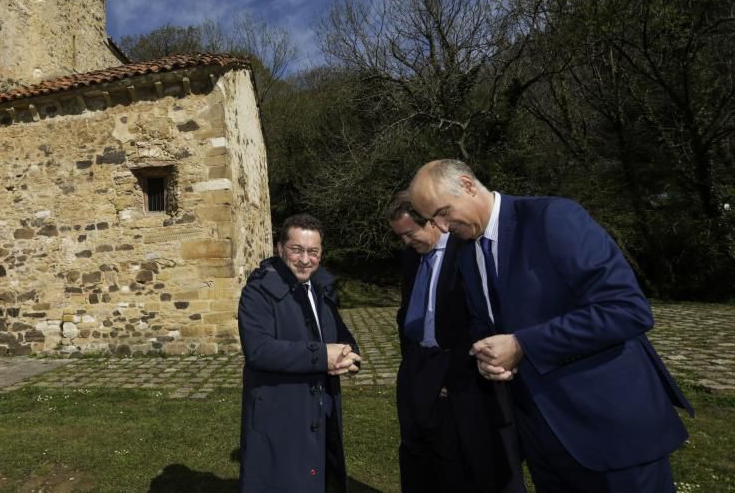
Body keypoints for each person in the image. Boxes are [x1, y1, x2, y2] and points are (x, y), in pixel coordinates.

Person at [409, 159, 694, 492]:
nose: (441, 228)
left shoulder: (553, 218)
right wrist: (490, 355)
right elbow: (486, 323)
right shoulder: (467, 250)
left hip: (611, 430)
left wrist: (522, 345)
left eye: (443, 213)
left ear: (468, 186)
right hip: (544, 438)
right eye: (432, 220)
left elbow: (626, 309)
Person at [388, 189, 521, 493]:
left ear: (433, 222)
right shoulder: (412, 257)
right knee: (421, 457)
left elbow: (482, 319)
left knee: (469, 463)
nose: (406, 242)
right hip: (421, 369)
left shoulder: (468, 250)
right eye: (400, 236)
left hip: (464, 375)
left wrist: (455, 373)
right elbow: (408, 313)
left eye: (410, 233)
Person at [238, 214, 361, 492]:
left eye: (313, 251)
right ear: (280, 248)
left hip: (322, 407)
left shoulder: (321, 288)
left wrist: (349, 357)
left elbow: (342, 336)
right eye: (296, 249)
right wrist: (322, 355)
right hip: (281, 411)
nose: (305, 259)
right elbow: (259, 350)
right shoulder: (257, 292)